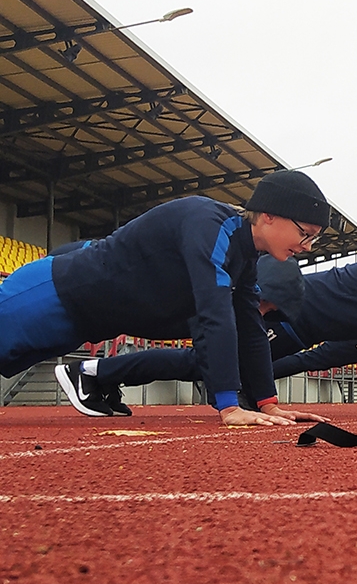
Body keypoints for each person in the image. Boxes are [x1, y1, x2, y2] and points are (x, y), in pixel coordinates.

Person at [0, 170, 330, 427]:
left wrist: (267, 402)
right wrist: (228, 405)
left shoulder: (245, 258)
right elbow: (214, 315)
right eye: (306, 234)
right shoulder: (210, 225)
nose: (307, 247)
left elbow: (250, 325)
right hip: (55, 291)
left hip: (79, 322)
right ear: (270, 215)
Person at [76, 256, 357, 417]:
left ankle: (105, 376)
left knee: (222, 373)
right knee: (203, 363)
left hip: (299, 332)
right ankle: (96, 371)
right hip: (285, 317)